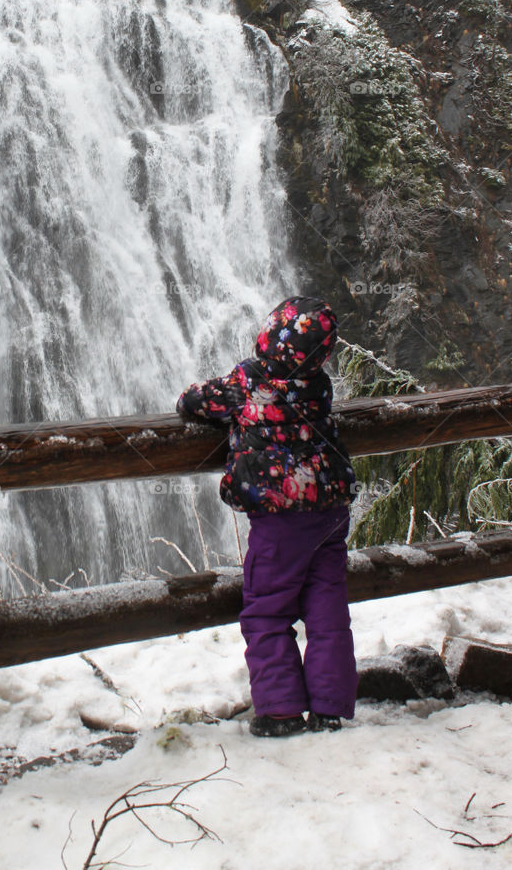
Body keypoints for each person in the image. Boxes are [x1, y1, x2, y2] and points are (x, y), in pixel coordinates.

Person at [177, 296, 357, 737]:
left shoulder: (248, 379)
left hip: (280, 519)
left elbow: (195, 402)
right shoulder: (319, 383)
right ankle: (330, 708)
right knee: (327, 608)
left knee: (267, 611)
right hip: (330, 508)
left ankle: (280, 711)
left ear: (269, 333)